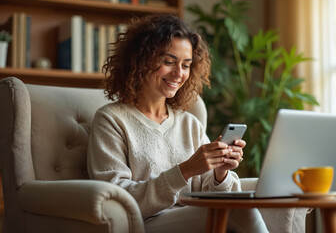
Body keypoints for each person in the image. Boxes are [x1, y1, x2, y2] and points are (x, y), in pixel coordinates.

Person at [87, 14, 269, 233]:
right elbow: (117, 198)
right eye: (169, 62)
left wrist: (220, 172)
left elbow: (208, 192)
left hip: (192, 216)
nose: (179, 73)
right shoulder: (111, 119)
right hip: (145, 222)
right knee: (237, 210)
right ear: (140, 60)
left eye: (186, 65)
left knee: (240, 207)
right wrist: (185, 170)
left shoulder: (188, 123)